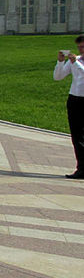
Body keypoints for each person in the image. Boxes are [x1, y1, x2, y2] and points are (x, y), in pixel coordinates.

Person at [53, 35, 84, 179]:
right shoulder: (75, 60)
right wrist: (60, 62)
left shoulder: (76, 62)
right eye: (79, 47)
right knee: (76, 135)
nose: (81, 50)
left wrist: (75, 63)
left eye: (83, 47)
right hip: (74, 99)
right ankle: (81, 167)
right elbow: (58, 77)